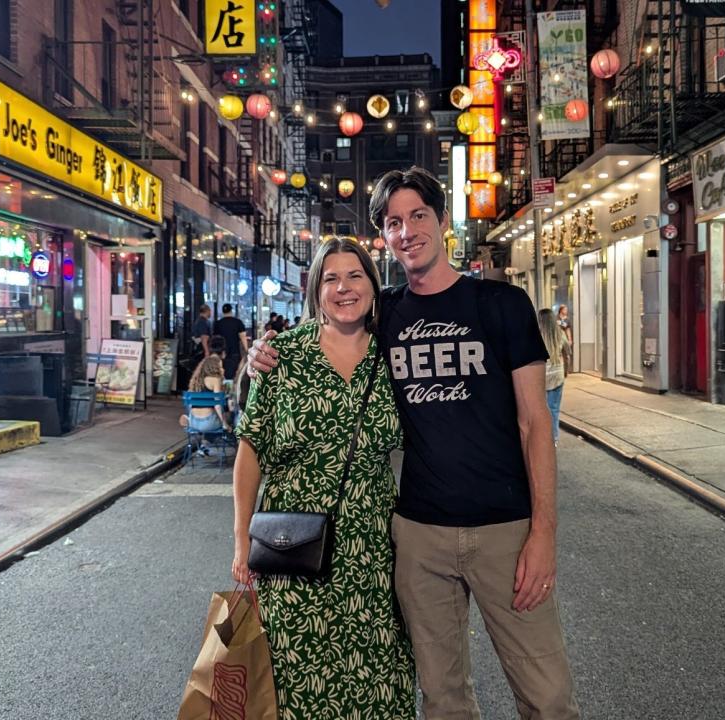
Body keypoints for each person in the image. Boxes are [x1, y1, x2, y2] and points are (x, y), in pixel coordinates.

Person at [249, 167, 580, 719]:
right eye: (394, 222)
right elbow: (330, 325)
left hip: (504, 529)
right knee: (443, 699)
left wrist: (544, 530)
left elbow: (534, 425)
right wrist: (263, 356)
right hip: (419, 536)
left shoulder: (502, 306)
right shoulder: (386, 314)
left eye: (418, 216)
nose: (407, 231)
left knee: (547, 697)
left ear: (443, 221)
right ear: (385, 235)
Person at [232, 237, 415, 719]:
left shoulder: (395, 357)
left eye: (355, 275)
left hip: (373, 556)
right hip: (292, 551)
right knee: (294, 686)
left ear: (374, 287)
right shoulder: (282, 356)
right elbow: (249, 450)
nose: (343, 287)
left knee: (377, 680)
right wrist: (239, 542)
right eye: (330, 278)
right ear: (316, 292)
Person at [539, 308, 570, 445]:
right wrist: (566, 371)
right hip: (557, 375)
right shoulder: (560, 334)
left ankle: (541, 438)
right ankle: (554, 439)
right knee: (554, 409)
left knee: (540, 409)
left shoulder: (534, 335)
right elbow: (567, 354)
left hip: (539, 377)